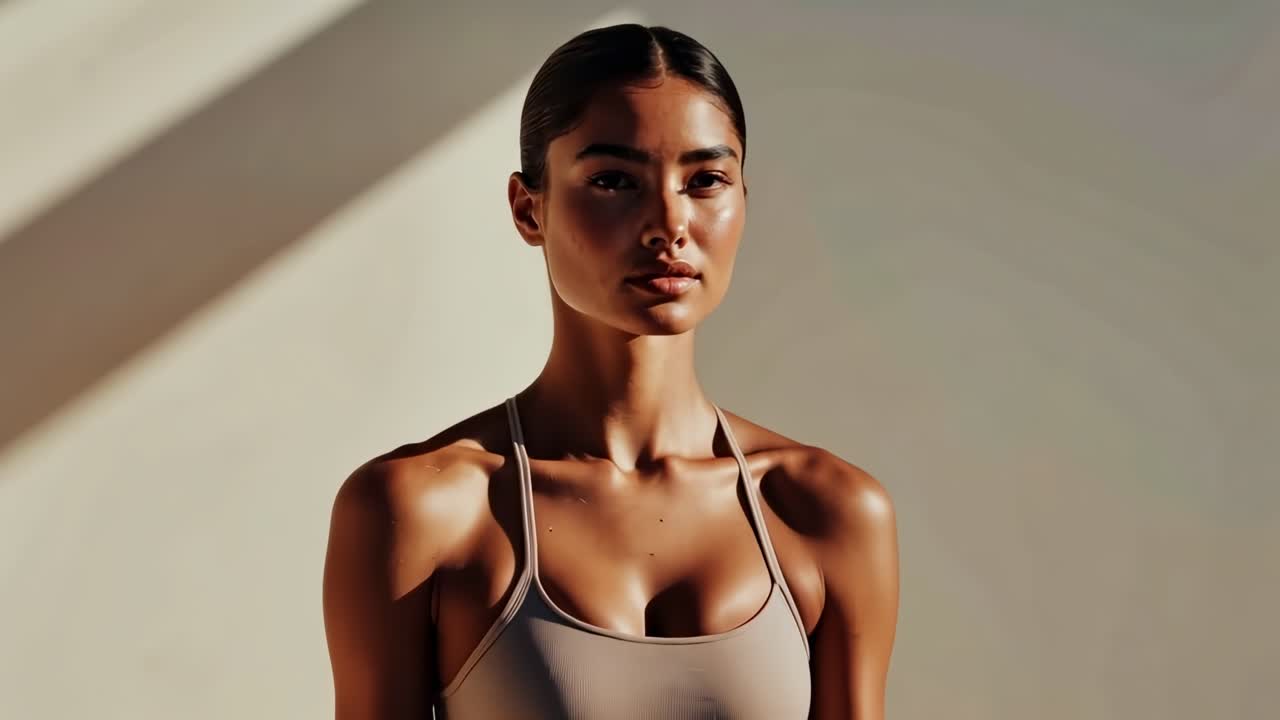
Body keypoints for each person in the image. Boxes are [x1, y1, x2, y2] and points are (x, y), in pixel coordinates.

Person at [322, 23, 899, 720]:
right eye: (614, 181)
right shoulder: (420, 512)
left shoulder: (827, 513)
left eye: (705, 180)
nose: (668, 224)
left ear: (744, 198)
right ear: (528, 209)